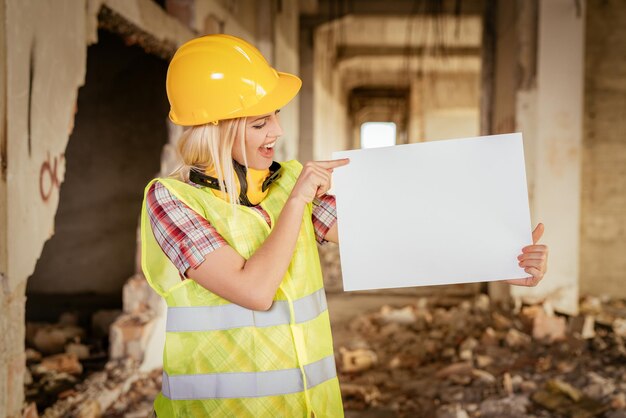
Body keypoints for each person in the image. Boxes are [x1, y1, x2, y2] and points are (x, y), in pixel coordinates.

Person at [140, 34, 549, 417]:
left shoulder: (283, 184)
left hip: (310, 406)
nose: (277, 132)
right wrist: (299, 200)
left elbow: (390, 234)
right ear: (216, 130)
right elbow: (253, 291)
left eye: (276, 117)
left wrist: (498, 256)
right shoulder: (171, 200)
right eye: (259, 123)